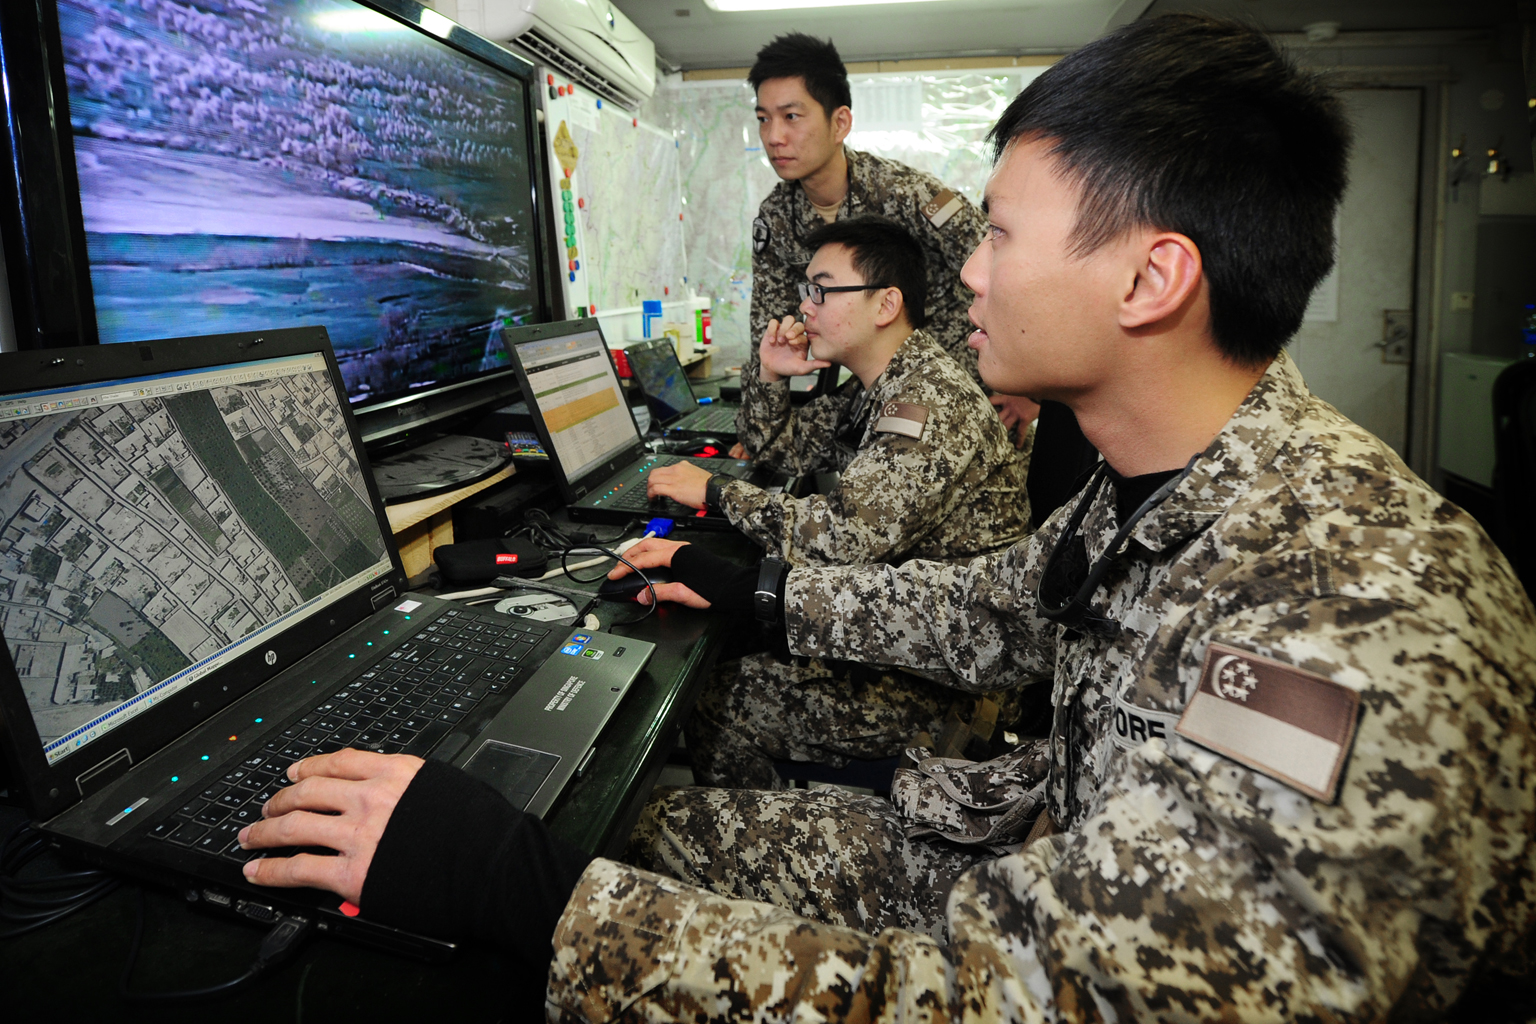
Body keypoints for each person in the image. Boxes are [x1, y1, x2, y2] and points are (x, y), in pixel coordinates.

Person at [234, 16, 1536, 1021]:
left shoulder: (1351, 614)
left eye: (1001, 236)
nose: (963, 269)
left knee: (533, 900)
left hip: (1025, 944)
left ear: (1154, 278)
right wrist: (758, 592)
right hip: (1009, 848)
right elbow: (997, 610)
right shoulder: (1162, 483)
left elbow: (1027, 1005)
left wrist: (538, 903)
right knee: (632, 826)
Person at [644, 215, 1031, 787]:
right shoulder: (881, 387)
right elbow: (779, 453)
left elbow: (846, 538)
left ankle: (753, 853)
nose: (805, 307)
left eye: (821, 290)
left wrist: (716, 492)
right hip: (898, 634)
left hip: (948, 683)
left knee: (722, 696)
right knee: (731, 649)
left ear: (885, 304)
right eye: (806, 290)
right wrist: (771, 376)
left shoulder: (929, 399)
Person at [739, 32, 1039, 451]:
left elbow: (1007, 264)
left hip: (968, 375)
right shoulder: (776, 219)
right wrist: (759, 416)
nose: (773, 136)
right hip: (879, 377)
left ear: (840, 122)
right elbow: (767, 332)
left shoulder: (907, 194)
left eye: (791, 116)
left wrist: (1031, 383)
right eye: (763, 118)